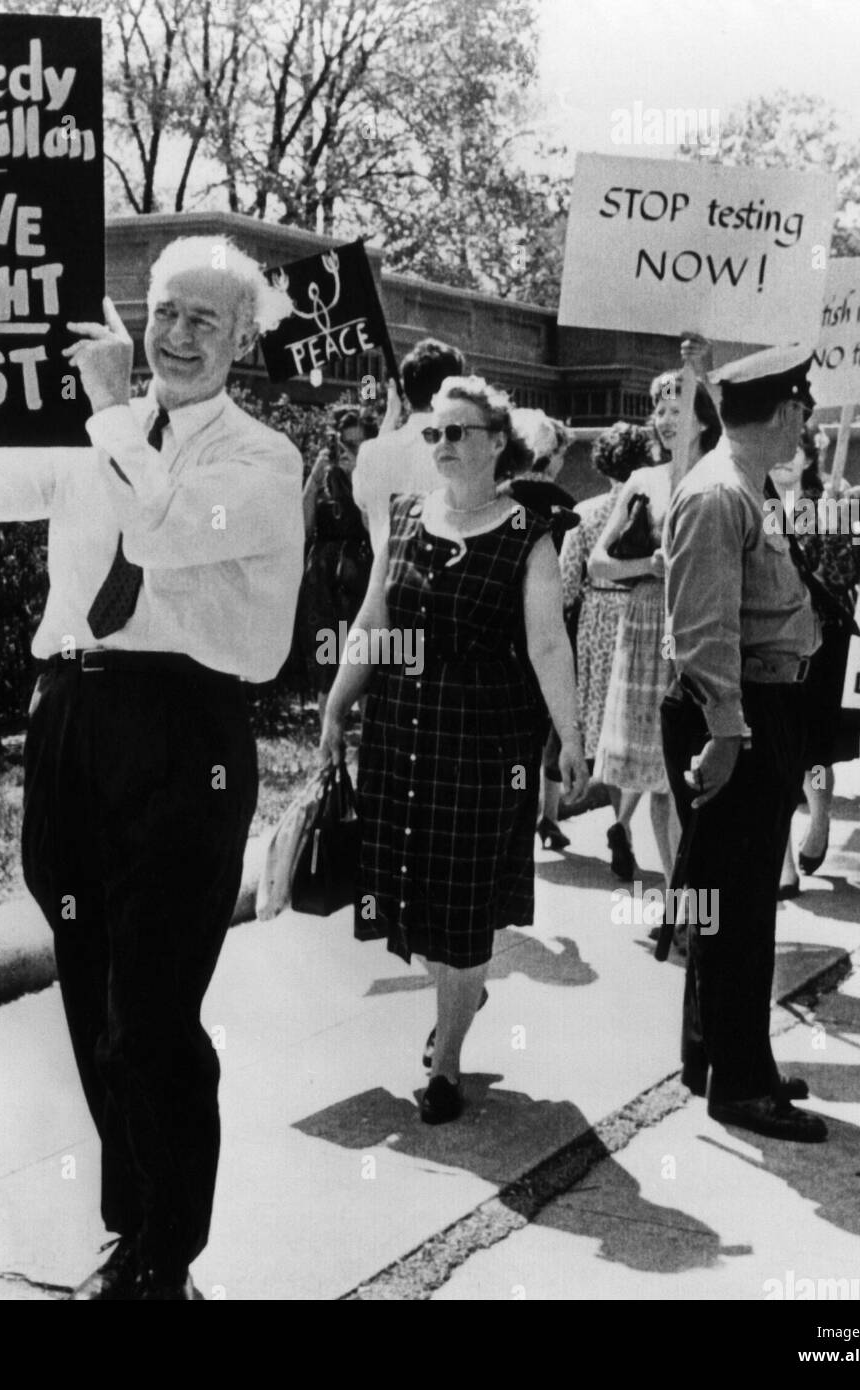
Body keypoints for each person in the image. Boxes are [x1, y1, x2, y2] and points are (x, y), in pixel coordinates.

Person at [0, 235, 304, 1298]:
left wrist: (107, 410)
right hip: (75, 720)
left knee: (154, 1009)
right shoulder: (99, 434)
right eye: (167, 312)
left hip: (187, 736)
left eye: (204, 322)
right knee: (92, 999)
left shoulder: (262, 462)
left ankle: (166, 1252)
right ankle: (133, 1232)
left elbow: (168, 529)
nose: (177, 338)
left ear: (243, 341)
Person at [318, 376, 588, 1125]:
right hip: (402, 734)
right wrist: (339, 702)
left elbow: (544, 641)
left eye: (458, 432)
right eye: (433, 432)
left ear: (497, 442)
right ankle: (460, 991)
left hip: (483, 740)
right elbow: (375, 620)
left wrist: (568, 736)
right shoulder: (405, 517)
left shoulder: (526, 535)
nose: (440, 444)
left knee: (464, 903)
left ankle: (446, 1063)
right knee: (416, 891)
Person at [662, 343, 826, 1144]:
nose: (807, 419)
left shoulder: (750, 488)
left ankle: (714, 1059)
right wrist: (726, 731)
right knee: (740, 907)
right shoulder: (718, 493)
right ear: (785, 410)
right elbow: (701, 631)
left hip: (753, 709)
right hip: (732, 713)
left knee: (724, 898)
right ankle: (741, 1085)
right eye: (802, 406)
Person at [588, 368, 720, 884]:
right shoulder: (643, 481)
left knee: (692, 778)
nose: (665, 420)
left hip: (701, 626)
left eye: (676, 408)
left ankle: (693, 901)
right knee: (661, 778)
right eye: (659, 410)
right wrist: (648, 565)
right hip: (646, 627)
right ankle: (678, 901)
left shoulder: (721, 477)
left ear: (704, 417)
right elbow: (597, 563)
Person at [769, 428, 860, 897]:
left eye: (796, 450)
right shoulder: (753, 501)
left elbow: (845, 573)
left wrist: (834, 521)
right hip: (769, 646)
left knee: (816, 755)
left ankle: (821, 820)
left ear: (811, 456)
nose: (786, 458)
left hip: (823, 645)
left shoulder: (832, 504)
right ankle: (781, 861)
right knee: (777, 753)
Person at [558, 421, 652, 833]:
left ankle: (622, 822)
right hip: (640, 611)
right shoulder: (651, 505)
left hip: (596, 614)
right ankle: (628, 815)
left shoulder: (585, 512)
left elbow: (565, 583)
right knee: (638, 718)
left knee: (605, 723)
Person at [506, 408, 580, 848]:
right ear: (549, 455)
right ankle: (535, 815)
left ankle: (519, 813)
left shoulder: (496, 494)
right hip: (542, 622)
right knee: (539, 726)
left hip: (499, 623)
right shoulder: (561, 502)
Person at [353, 337, 466, 553]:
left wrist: (391, 415)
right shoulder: (461, 453)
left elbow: (364, 505)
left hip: (386, 579)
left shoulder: (370, 452)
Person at [300, 406, 378, 718]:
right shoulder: (325, 477)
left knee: (366, 669)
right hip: (324, 586)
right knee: (327, 671)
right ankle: (329, 755)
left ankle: (368, 753)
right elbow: (303, 529)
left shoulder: (373, 476)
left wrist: (359, 472)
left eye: (357, 444)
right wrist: (314, 482)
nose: (348, 450)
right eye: (344, 442)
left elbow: (374, 526)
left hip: (361, 579)